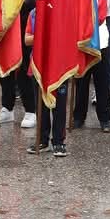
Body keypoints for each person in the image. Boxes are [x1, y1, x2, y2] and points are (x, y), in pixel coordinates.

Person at [0, 0, 39, 129]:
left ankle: (30, 110)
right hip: (4, 23)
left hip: (23, 22)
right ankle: (7, 107)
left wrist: (15, 3)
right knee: (3, 66)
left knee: (24, 67)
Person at [71, 0, 110, 134]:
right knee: (81, 81)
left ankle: (105, 119)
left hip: (100, 41)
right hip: (84, 41)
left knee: (102, 81)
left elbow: (102, 13)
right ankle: (78, 117)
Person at [25, 10, 69, 158]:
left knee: (59, 106)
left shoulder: (62, 10)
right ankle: (42, 140)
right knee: (41, 107)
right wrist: (42, 35)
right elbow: (27, 39)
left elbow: (67, 37)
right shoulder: (33, 14)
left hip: (59, 67)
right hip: (38, 67)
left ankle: (59, 141)